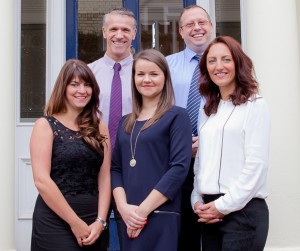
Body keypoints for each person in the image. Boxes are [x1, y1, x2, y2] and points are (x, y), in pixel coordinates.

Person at [191, 36, 270, 251]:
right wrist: (197, 200)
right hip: (209, 214)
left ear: (237, 63)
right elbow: (201, 161)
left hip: (243, 213)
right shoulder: (207, 109)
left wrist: (222, 206)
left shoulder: (255, 106)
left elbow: (256, 166)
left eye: (226, 59)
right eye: (212, 61)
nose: (219, 67)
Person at [111, 49, 192, 251]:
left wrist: (142, 212)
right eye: (140, 74)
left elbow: (179, 169)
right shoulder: (124, 122)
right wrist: (123, 208)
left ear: (165, 78)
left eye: (154, 74)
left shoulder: (177, 117)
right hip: (128, 216)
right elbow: (116, 168)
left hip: (160, 215)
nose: (146, 79)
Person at [30, 59, 111, 251]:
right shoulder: (45, 125)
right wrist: (74, 222)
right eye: (74, 84)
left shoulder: (99, 126)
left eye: (87, 84)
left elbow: (105, 176)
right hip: (55, 220)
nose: (82, 90)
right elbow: (41, 180)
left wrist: (101, 220)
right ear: (63, 88)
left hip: (93, 221)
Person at [88, 8, 137, 249]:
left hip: (135, 162)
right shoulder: (88, 73)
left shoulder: (146, 73)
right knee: (94, 230)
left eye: (126, 29)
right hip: (95, 161)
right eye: (114, 29)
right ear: (104, 32)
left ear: (134, 34)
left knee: (133, 231)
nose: (120, 35)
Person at [166, 5, 213, 250]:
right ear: (181, 32)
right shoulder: (166, 65)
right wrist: (182, 143)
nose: (197, 28)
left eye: (201, 22)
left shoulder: (225, 64)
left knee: (216, 225)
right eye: (190, 25)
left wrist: (206, 141)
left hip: (217, 157)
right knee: (185, 230)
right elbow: (159, 111)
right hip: (177, 158)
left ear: (210, 26)